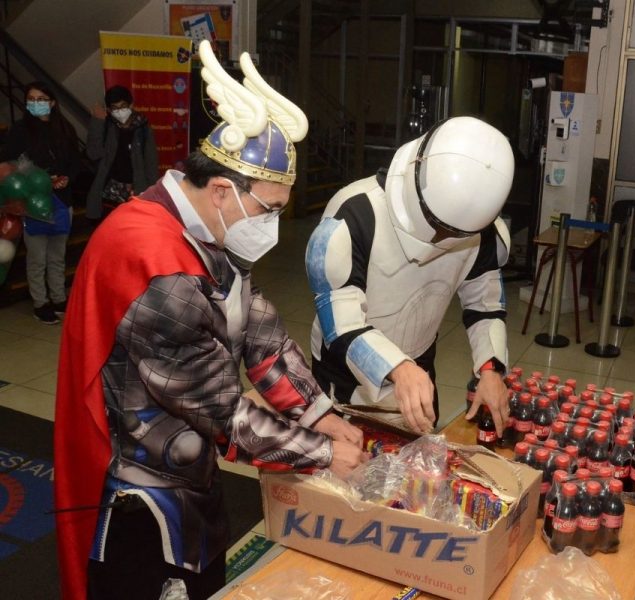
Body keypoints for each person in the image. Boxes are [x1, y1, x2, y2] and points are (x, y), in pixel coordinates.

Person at [54, 41, 367, 600]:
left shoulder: (203, 229)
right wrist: (323, 454)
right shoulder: (155, 260)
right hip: (141, 494)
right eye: (270, 210)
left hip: (189, 474)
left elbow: (261, 336)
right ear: (222, 189)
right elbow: (221, 410)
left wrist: (320, 415)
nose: (271, 226)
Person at [305, 116, 514, 434]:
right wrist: (397, 368)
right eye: (438, 225)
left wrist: (490, 369)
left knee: (417, 472)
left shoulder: (483, 232)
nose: (441, 239)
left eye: (454, 232)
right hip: (344, 377)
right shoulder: (354, 215)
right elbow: (341, 323)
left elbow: (484, 305)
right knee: (340, 472)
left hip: (419, 367)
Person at [0, 81, 80, 324]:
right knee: (37, 257)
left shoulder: (65, 128)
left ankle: (58, 297)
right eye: (31, 99)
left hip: (61, 199)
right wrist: (36, 179)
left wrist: (66, 178)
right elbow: (8, 165)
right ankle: (40, 302)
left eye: (41, 99)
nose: (36, 103)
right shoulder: (20, 130)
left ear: (52, 102)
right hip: (33, 202)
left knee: (57, 255)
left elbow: (75, 161)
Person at [86, 85, 158, 221]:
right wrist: (97, 122)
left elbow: (151, 163)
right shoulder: (106, 126)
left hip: (135, 191)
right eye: (115, 108)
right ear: (108, 110)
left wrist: (151, 195)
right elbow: (93, 153)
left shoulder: (142, 127)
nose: (120, 111)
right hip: (109, 192)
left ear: (131, 105)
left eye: (123, 106)